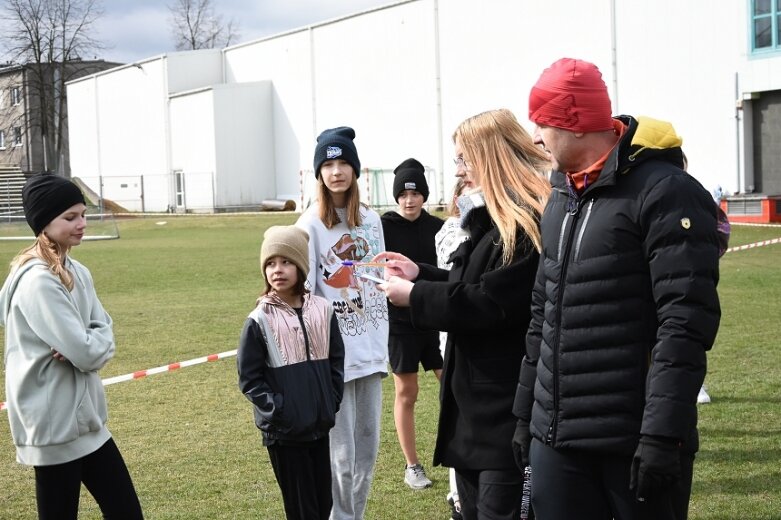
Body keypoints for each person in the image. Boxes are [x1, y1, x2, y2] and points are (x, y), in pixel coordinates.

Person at [512, 57, 721, 520]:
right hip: (557, 441)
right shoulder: (561, 195)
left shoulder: (666, 191)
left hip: (632, 442)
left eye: (543, 123)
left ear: (574, 123)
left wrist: (662, 435)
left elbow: (685, 322)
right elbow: (542, 312)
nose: (535, 137)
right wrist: (526, 415)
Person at [375, 108, 551, 520]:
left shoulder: (523, 225)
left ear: (489, 156)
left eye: (463, 159)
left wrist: (416, 295)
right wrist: (421, 273)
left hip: (502, 412)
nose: (459, 171)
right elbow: (470, 282)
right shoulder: (491, 219)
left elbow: (489, 303)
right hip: (474, 414)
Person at [0, 173, 143, 520]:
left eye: (82, 214)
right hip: (53, 429)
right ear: (44, 222)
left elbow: (98, 336)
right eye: (70, 217)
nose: (82, 224)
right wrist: (87, 343)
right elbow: (88, 351)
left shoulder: (78, 270)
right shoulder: (37, 282)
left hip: (87, 423)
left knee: (126, 512)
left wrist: (89, 340)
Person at [295, 126, 389, 520]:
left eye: (343, 163)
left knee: (367, 452)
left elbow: (378, 281)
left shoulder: (371, 220)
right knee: (342, 457)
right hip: (333, 356)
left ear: (355, 170)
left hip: (372, 349)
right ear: (318, 174)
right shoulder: (310, 225)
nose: (336, 172)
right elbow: (305, 294)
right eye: (328, 164)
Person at [237, 225, 345, 520]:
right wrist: (281, 411)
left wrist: (330, 401)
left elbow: (336, 361)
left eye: (286, 261)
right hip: (285, 434)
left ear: (301, 266)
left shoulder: (322, 310)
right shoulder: (259, 319)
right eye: (270, 263)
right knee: (302, 511)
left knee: (323, 505)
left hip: (319, 425)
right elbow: (249, 380)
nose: (277, 269)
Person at [380, 158, 444, 490]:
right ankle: (412, 466)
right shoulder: (383, 227)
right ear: (396, 197)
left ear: (424, 195)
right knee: (407, 391)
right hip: (400, 324)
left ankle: (461, 451)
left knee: (453, 381)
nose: (410, 200)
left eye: (416, 193)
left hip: (436, 318)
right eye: (404, 194)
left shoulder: (438, 227)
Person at [433, 177, 468, 519]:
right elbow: (458, 280)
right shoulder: (450, 232)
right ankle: (458, 494)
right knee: (456, 412)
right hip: (454, 339)